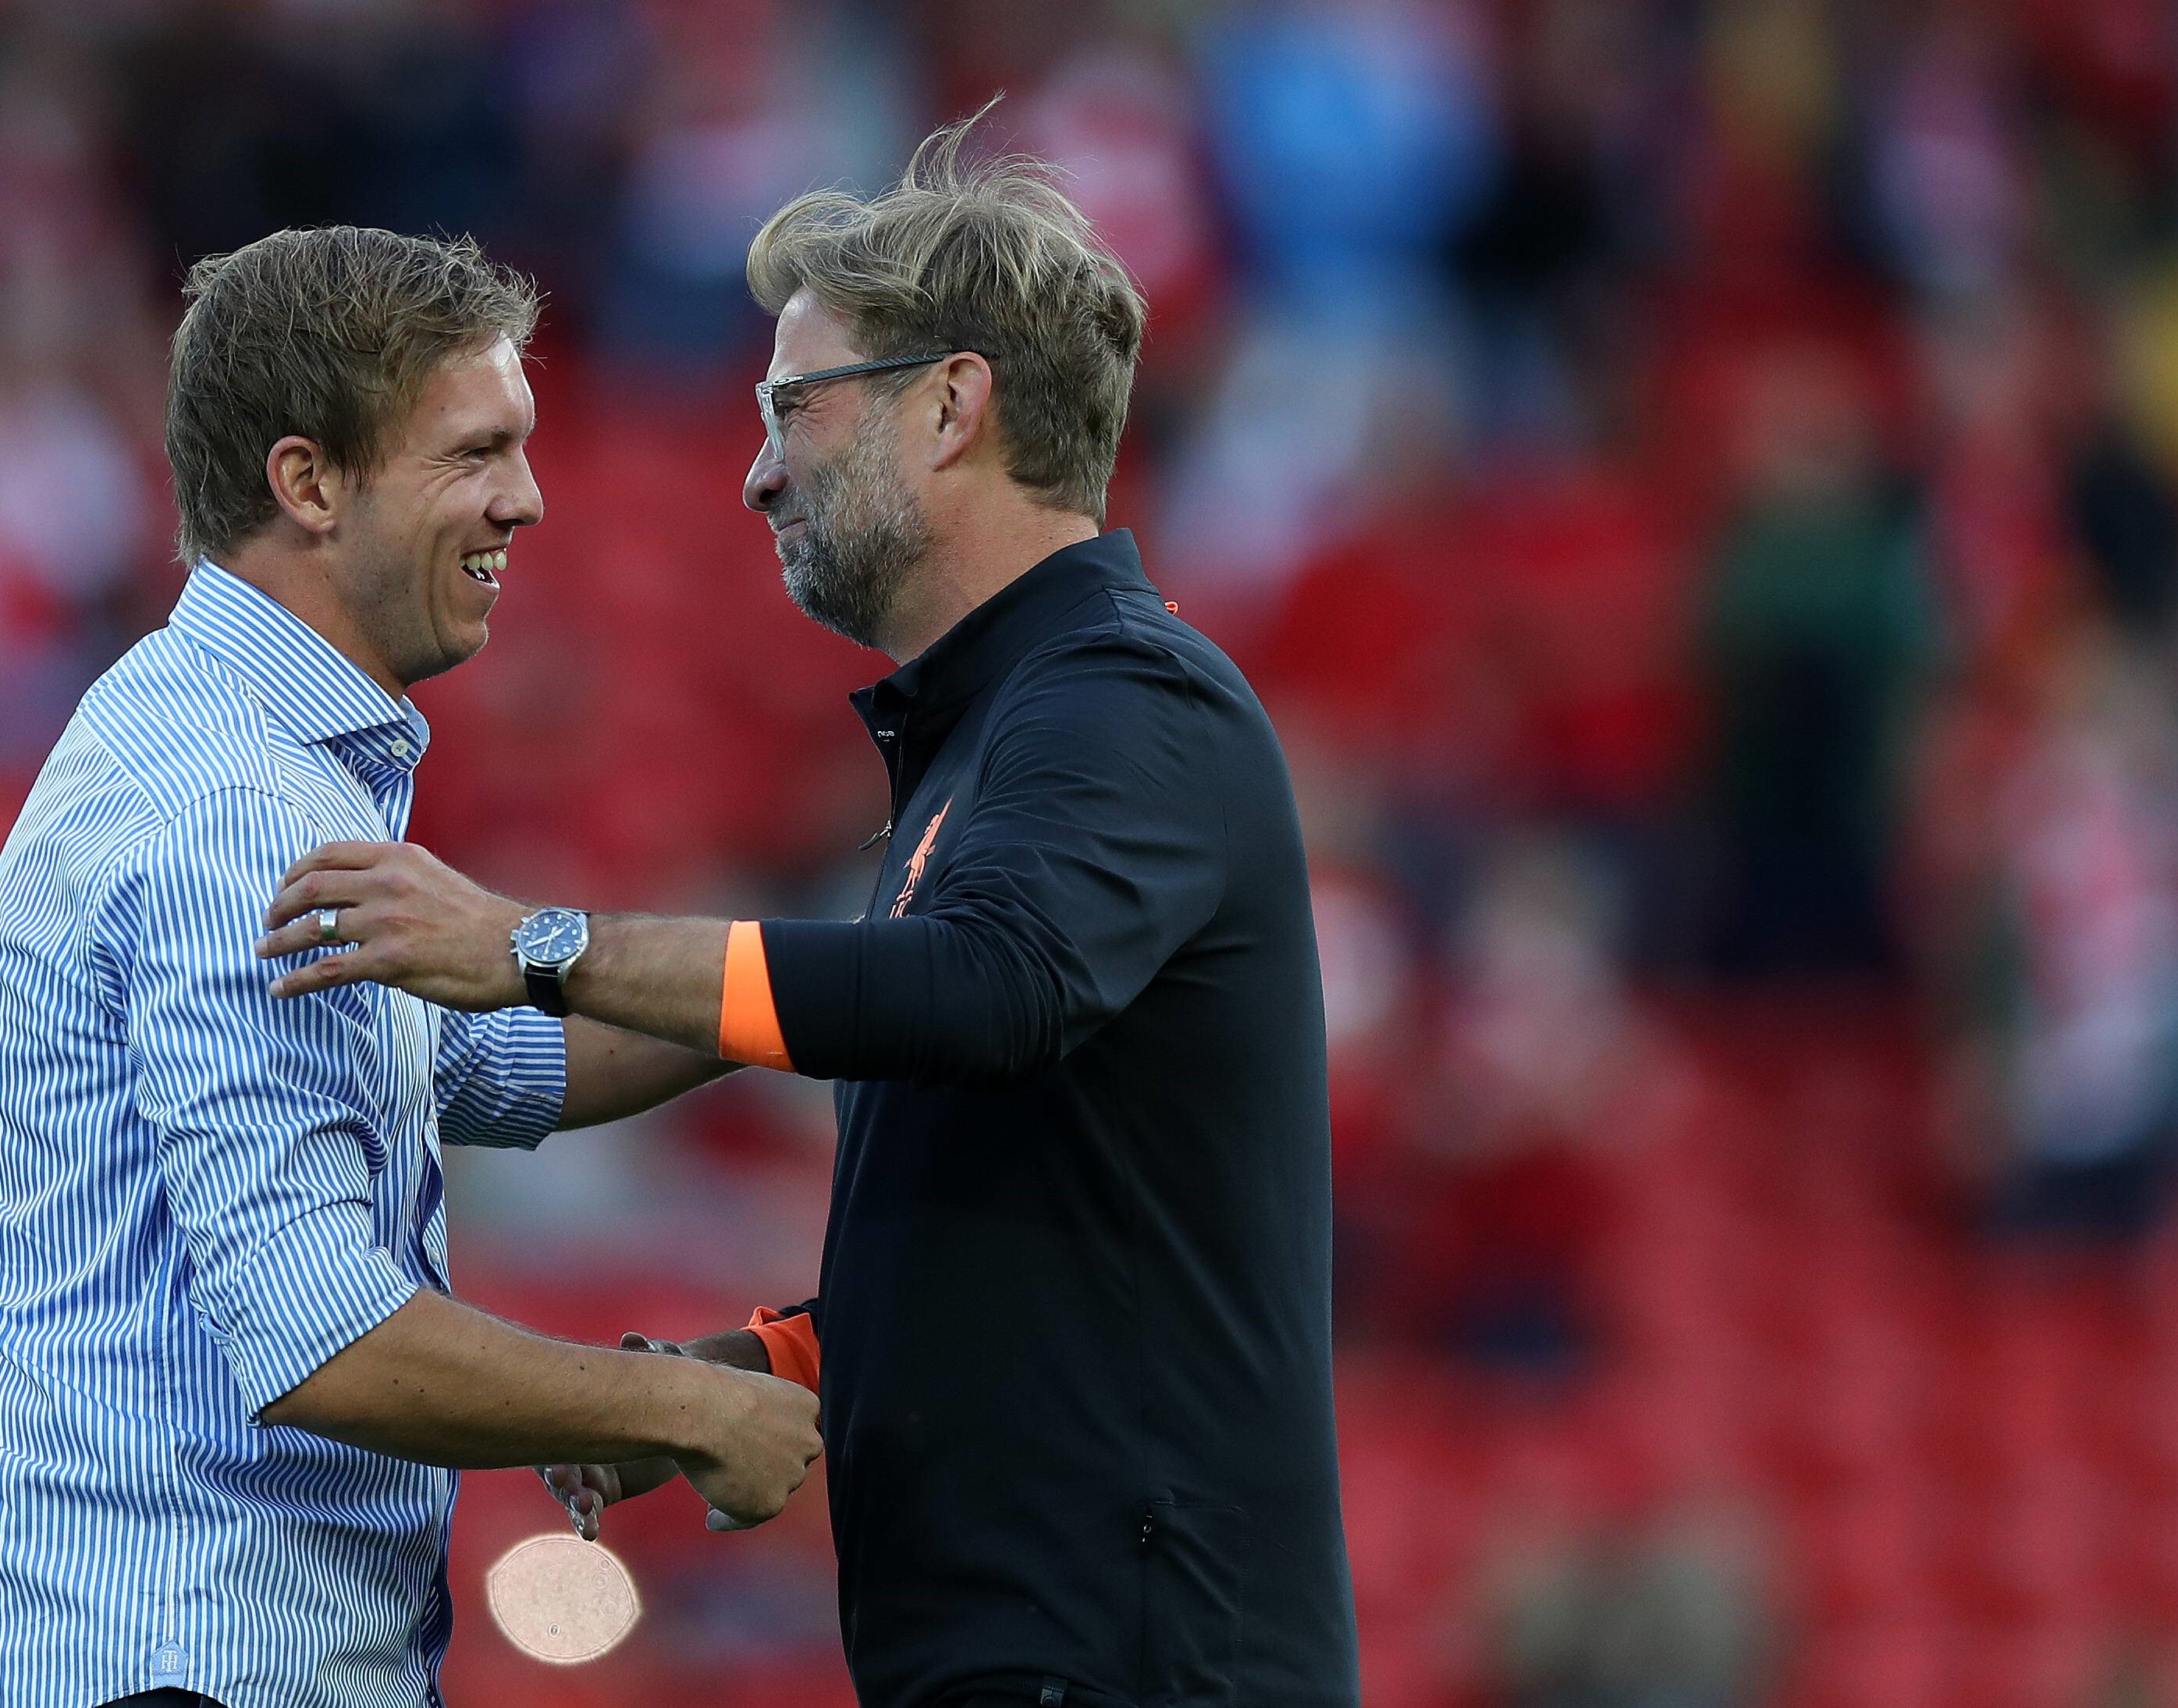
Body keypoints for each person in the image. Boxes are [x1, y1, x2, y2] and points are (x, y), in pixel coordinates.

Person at [260, 124, 1359, 1708]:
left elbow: (988, 994)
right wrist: (758, 1370)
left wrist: (537, 946)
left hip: (1135, 1658)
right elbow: (1033, 1235)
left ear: (949, 405)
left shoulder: (1125, 696)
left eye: (791, 407)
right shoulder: (1006, 744)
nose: (759, 467)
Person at [0, 226, 821, 1708]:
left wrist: (843, 976)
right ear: (309, 482)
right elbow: (323, 1339)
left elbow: (508, 1058)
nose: (526, 499)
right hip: (175, 1659)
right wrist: (683, 1401)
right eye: (476, 452)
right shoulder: (235, 813)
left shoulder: (229, 742)